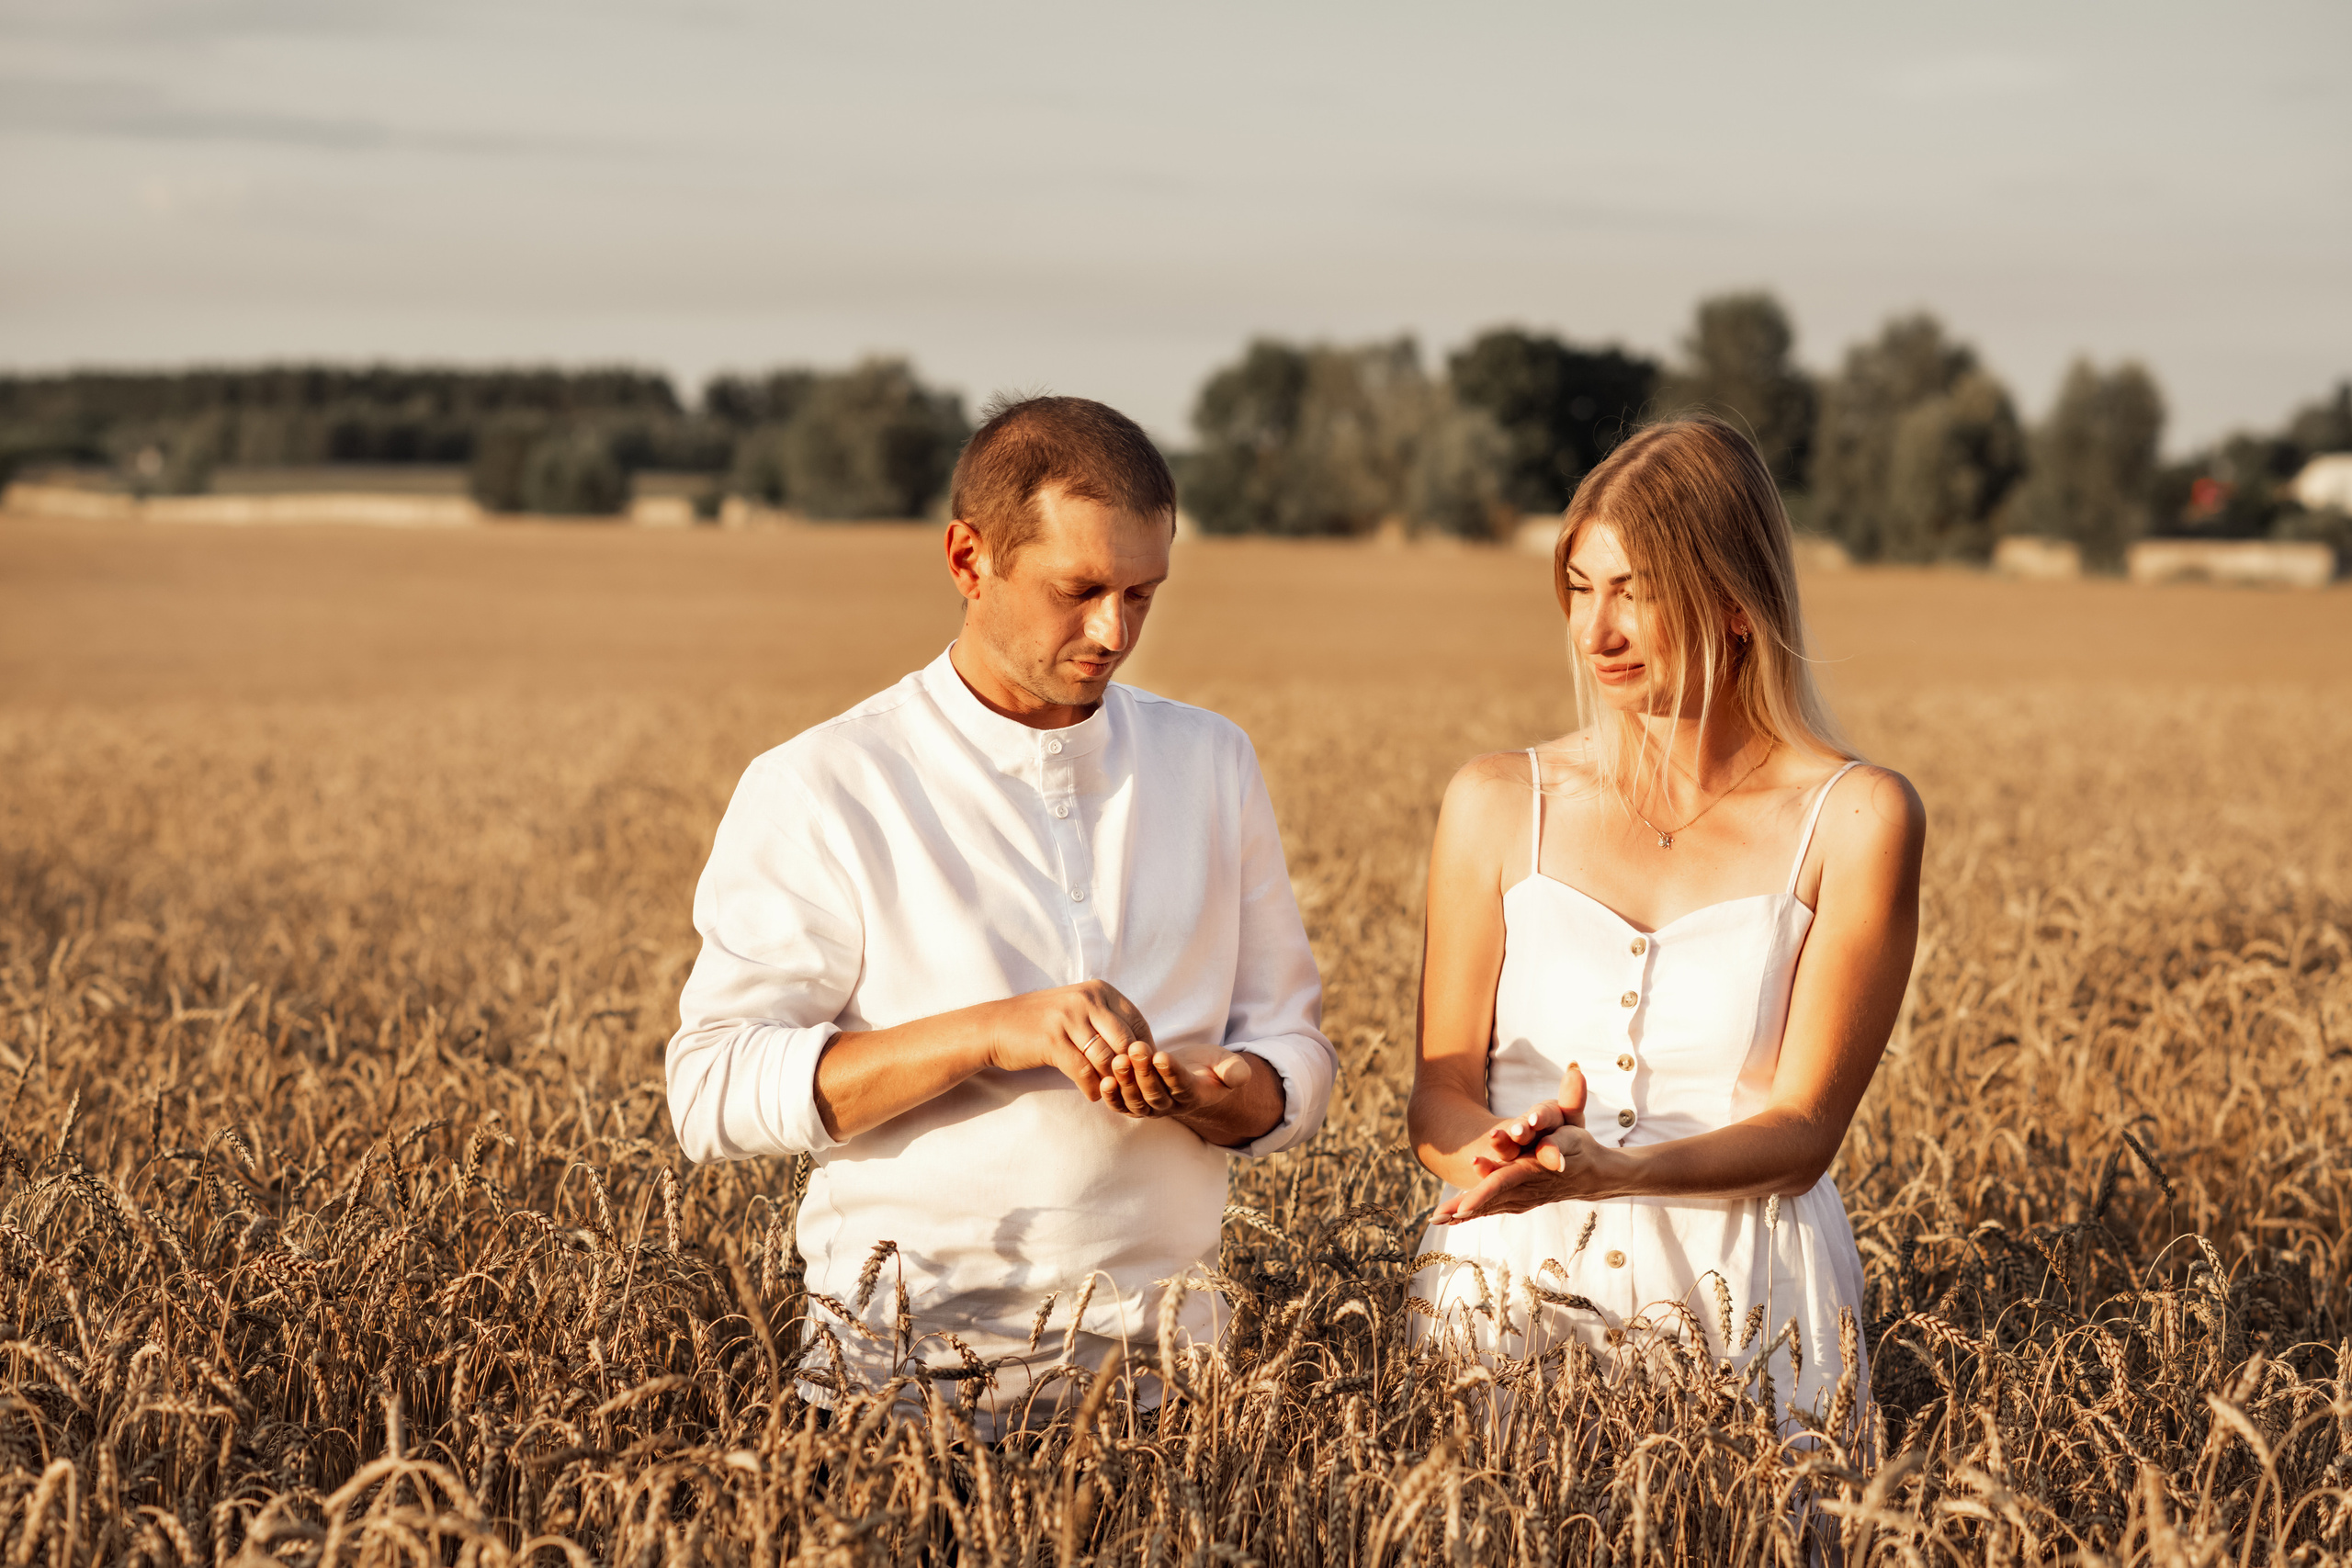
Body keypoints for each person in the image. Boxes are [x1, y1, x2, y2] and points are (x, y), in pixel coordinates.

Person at [665, 394, 1335, 1434]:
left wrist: (1221, 1094)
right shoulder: (825, 784)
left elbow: (1294, 1052)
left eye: (1142, 594)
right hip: (897, 1388)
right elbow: (710, 1091)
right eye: (1079, 590)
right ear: (967, 558)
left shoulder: (1209, 761)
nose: (1114, 631)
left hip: (1176, 1395)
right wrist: (992, 1032)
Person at [1407, 415, 1924, 1429]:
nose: (1593, 633)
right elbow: (1438, 1093)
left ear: (1735, 605)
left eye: (1634, 594)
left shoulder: (1856, 818)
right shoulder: (1495, 800)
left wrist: (1620, 1176)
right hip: (1502, 1295)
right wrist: (1502, 1157)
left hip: (1748, 1304)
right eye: (1579, 588)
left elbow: (1804, 1132)